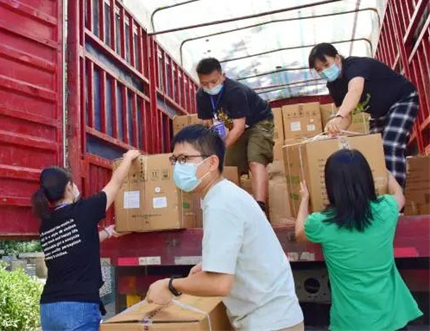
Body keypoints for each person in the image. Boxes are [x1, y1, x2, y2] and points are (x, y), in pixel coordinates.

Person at [146, 125, 304, 331]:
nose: (178, 167)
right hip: (276, 318)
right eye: (175, 160)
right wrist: (212, 263)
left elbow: (219, 284)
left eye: (184, 159)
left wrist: (170, 285)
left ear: (212, 162)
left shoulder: (221, 204)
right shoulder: (225, 195)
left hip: (269, 323)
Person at [295, 149, 422, 331]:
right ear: (368, 178)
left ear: (331, 185)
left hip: (352, 323)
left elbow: (299, 232)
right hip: (392, 318)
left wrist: (304, 200)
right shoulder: (386, 210)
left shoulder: (323, 223)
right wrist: (386, 173)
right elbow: (400, 196)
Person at [34, 150, 141, 331]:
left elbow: (77, 244)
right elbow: (115, 183)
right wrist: (129, 157)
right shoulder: (83, 210)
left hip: (49, 308)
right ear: (69, 187)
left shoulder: (46, 223)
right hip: (78, 307)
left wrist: (107, 232)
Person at [308, 43, 419, 188]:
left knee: (390, 145)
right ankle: (385, 191)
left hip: (402, 100)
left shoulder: (354, 66)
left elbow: (355, 91)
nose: (324, 71)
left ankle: (397, 197)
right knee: (375, 150)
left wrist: (338, 117)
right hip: (379, 113)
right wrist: (334, 130)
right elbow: (347, 116)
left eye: (326, 65)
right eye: (319, 70)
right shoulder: (333, 86)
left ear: (337, 58)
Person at [195, 57, 274, 212]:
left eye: (213, 82)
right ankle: (232, 207)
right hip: (234, 127)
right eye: (204, 84)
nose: (209, 87)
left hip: (259, 122)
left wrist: (219, 148)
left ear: (223, 76)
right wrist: (210, 144)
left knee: (255, 159)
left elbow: (239, 128)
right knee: (229, 165)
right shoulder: (202, 95)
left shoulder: (235, 92)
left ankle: (260, 208)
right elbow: (207, 122)